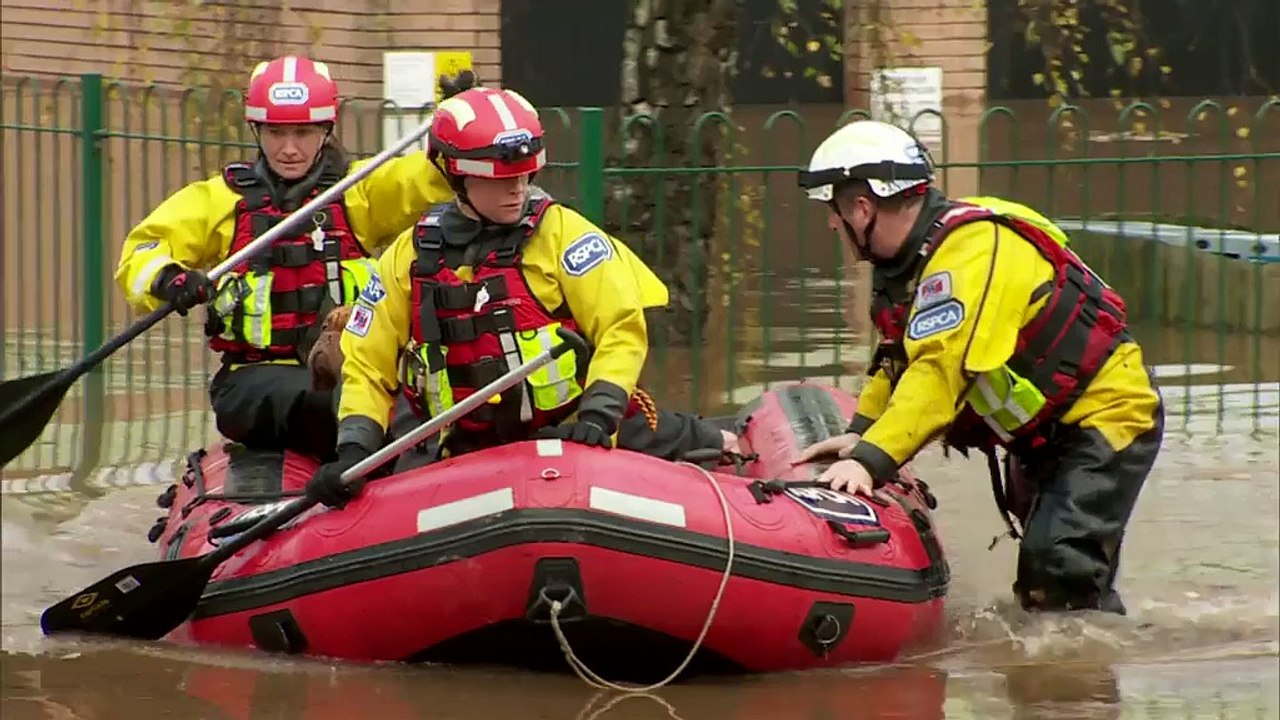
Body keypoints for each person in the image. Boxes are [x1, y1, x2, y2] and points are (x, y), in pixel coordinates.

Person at [790, 119, 1164, 615]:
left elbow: (939, 374)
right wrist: (863, 431)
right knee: (1054, 571)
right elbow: (899, 358)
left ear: (862, 208)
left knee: (1056, 564)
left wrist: (870, 461)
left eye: (833, 209)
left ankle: (1080, 677)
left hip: (1108, 417)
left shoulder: (970, 253)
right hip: (1044, 433)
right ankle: (1069, 659)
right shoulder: (913, 261)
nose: (831, 224)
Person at [304, 84, 735, 507]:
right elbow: (367, 362)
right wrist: (355, 451)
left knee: (673, 437)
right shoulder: (409, 256)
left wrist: (597, 416)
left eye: (525, 176)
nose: (517, 189)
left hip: (570, 427)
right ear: (457, 175)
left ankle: (728, 443)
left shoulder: (563, 235)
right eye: (500, 180)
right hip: (464, 443)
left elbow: (619, 327)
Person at [114, 56, 472, 460]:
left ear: (326, 130)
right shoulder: (220, 200)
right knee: (335, 403)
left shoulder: (359, 191)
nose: (288, 149)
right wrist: (168, 279)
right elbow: (141, 251)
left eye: (302, 133)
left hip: (346, 364)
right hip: (253, 381)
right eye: (276, 133)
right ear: (257, 131)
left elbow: (427, 181)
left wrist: (456, 134)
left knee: (408, 397)